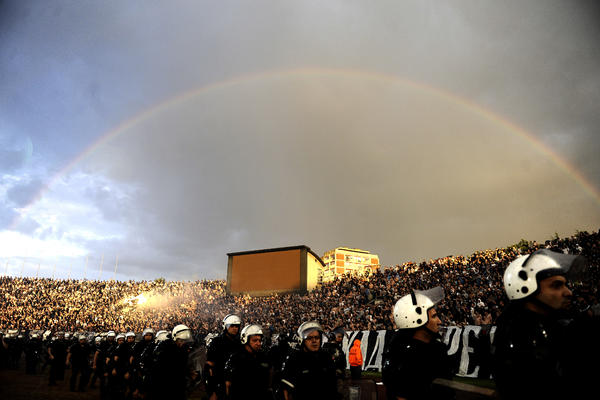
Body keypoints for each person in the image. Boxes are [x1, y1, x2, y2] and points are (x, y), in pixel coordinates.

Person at [492, 249, 599, 400]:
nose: (568, 292)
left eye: (565, 284)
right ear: (526, 290)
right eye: (556, 285)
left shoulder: (551, 325)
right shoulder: (522, 338)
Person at [382, 287, 455, 400]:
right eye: (434, 316)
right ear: (417, 320)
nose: (439, 321)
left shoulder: (435, 349)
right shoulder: (406, 357)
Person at [280, 321, 337, 400]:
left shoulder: (326, 357)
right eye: (309, 338)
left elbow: (333, 385)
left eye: (317, 337)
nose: (314, 341)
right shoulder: (295, 359)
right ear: (302, 340)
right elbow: (286, 390)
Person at [224, 324, 272, 400]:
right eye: (255, 340)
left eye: (260, 340)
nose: (258, 343)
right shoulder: (236, 358)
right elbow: (228, 385)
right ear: (245, 339)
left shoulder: (263, 357)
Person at [148, 324, 195, 400]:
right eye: (181, 340)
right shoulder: (165, 348)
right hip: (163, 385)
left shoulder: (183, 349)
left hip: (178, 385)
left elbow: (182, 366)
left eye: (184, 341)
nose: (182, 343)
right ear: (175, 338)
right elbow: (157, 370)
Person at [205, 314, 243, 400]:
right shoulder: (216, 342)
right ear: (225, 326)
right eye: (231, 326)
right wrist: (212, 391)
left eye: (237, 326)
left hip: (237, 383)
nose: (234, 328)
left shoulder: (241, 343)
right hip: (220, 383)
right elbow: (209, 368)